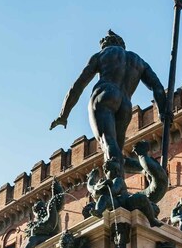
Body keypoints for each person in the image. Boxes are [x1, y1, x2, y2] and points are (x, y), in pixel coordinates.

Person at [51, 30, 167, 179]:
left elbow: (78, 85)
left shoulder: (102, 55)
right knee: (117, 151)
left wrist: (63, 114)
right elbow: (157, 87)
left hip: (104, 95)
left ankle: (113, 187)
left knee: (108, 144)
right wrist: (163, 112)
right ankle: (138, 174)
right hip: (126, 105)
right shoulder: (138, 61)